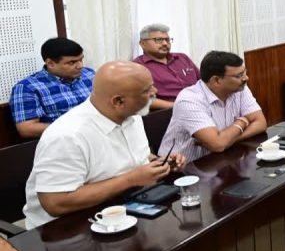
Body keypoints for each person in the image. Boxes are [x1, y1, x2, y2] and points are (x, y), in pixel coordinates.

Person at [22, 61, 186, 229]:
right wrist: (131, 179)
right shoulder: (67, 136)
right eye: (146, 90)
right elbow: (55, 203)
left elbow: (134, 156)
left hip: (125, 206)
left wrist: (159, 162)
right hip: (66, 228)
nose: (155, 92)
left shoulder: (131, 116)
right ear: (118, 101)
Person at [158, 51, 267, 163]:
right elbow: (217, 145)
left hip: (218, 159)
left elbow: (260, 123)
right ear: (216, 80)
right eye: (239, 76)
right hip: (180, 167)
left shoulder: (239, 88)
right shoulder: (189, 100)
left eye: (244, 73)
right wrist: (241, 123)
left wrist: (230, 139)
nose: (246, 78)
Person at [10, 37, 95, 139]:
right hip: (63, 140)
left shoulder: (89, 74)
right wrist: (75, 128)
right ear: (50, 63)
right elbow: (27, 129)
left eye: (81, 59)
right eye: (72, 62)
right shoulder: (27, 88)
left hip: (98, 135)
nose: (80, 66)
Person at [133, 23, 200, 110]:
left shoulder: (182, 58)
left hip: (200, 105)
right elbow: (141, 98)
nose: (165, 43)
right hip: (169, 111)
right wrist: (177, 106)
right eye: (158, 40)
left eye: (167, 40)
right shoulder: (138, 66)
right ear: (143, 43)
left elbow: (203, 83)